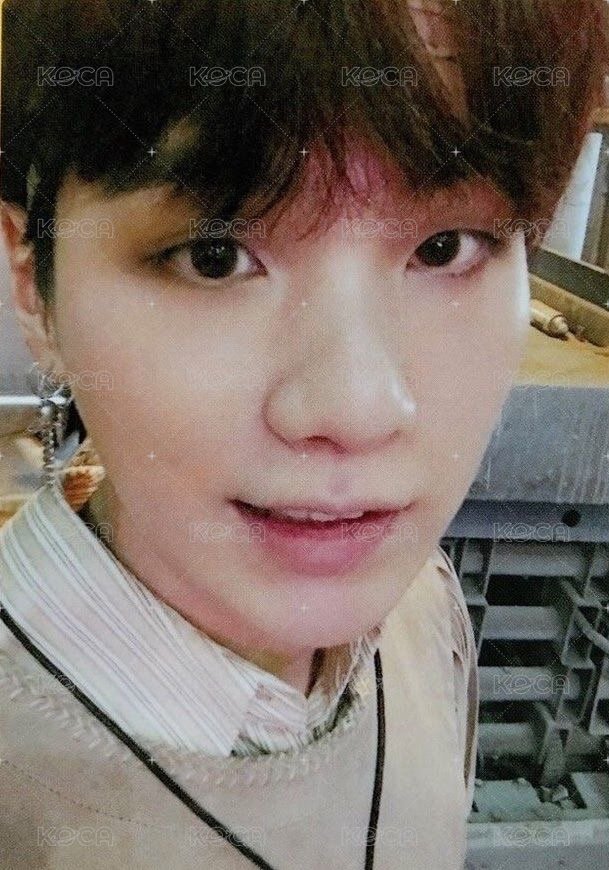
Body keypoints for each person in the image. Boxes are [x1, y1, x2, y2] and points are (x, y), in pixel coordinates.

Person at [0, 1, 606, 868]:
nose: (358, 409)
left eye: (444, 247)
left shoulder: (423, 613)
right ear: (34, 284)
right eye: (214, 256)